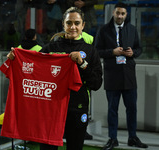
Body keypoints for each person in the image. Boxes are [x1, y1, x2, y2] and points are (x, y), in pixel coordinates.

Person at [8, 7, 102, 150]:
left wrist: (82, 64)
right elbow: (31, 70)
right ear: (63, 24)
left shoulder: (90, 51)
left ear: (83, 25)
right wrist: (15, 60)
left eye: (77, 23)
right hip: (50, 110)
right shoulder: (50, 48)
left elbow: (96, 84)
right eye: (69, 23)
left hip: (77, 108)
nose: (73, 27)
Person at [95, 2, 148, 150]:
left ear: (126, 15)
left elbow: (139, 48)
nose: (120, 16)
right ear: (113, 13)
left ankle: (132, 137)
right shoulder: (104, 30)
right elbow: (97, 51)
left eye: (123, 14)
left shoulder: (131, 29)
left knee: (132, 109)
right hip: (112, 75)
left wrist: (133, 53)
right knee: (113, 109)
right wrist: (112, 52)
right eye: (118, 13)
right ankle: (113, 139)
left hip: (129, 75)